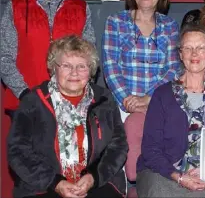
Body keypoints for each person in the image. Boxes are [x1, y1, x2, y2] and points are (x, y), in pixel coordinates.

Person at [0, 0, 96, 195]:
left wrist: (77, 94)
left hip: (71, 106)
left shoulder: (80, 7)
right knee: (33, 178)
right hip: (27, 103)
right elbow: (4, 57)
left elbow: (90, 58)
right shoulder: (16, 5)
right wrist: (27, 95)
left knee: (69, 172)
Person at [7, 36, 127, 198]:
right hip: (43, 185)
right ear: (53, 68)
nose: (74, 73)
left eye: (82, 66)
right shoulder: (33, 101)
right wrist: (56, 183)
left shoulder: (104, 99)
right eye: (66, 66)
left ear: (91, 70)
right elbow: (18, 151)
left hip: (97, 182)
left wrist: (93, 177)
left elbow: (118, 146)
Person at [136, 25, 205, 198]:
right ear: (181, 55)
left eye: (200, 48)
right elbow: (150, 150)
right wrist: (179, 176)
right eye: (188, 48)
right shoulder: (162, 95)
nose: (194, 54)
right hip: (161, 174)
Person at [102, 0, 180, 121]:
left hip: (159, 105)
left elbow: (173, 69)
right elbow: (110, 67)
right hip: (123, 107)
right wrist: (128, 100)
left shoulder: (170, 26)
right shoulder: (115, 22)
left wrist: (147, 98)